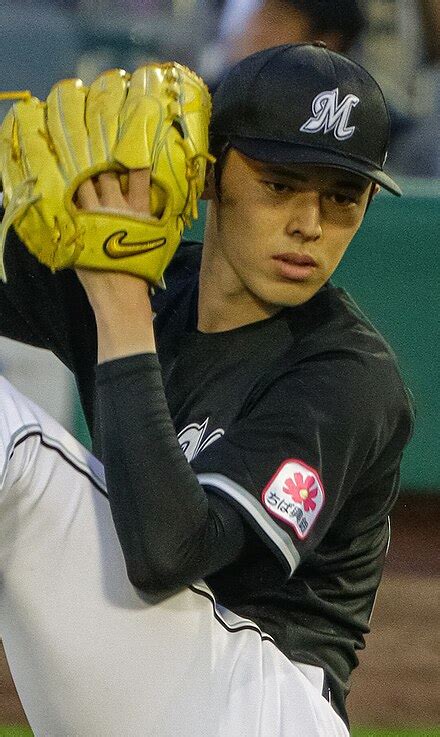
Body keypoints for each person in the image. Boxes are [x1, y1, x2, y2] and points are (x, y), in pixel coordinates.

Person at [0, 43, 414, 736]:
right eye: (280, 185)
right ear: (209, 172)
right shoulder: (155, 287)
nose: (310, 224)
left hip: (259, 703)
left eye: (342, 197)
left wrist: (120, 303)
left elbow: (167, 556)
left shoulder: (346, 375)